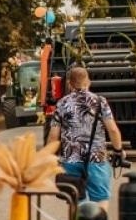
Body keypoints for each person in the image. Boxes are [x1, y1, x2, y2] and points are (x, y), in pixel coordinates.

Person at [46, 64, 125, 201]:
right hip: (96, 158)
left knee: (75, 199)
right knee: (100, 198)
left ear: (69, 84)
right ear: (88, 82)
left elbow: (53, 137)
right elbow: (112, 129)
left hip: (70, 159)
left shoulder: (62, 104)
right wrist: (118, 150)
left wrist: (48, 158)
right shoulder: (100, 102)